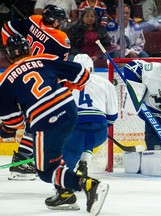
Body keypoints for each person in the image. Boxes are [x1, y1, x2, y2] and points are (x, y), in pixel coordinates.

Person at [0, 35, 109, 215]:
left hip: (45, 120)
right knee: (56, 155)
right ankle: (65, 193)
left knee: (45, 171)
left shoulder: (5, 81)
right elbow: (83, 76)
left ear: (8, 55)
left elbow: (14, 122)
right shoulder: (44, 59)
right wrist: (63, 84)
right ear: (28, 49)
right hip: (69, 109)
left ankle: (89, 185)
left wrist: (5, 130)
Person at [1, 4, 71, 181]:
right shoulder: (62, 38)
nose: (61, 24)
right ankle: (24, 157)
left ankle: (24, 156)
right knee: (39, 118)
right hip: (42, 76)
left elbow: (7, 28)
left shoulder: (33, 20)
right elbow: (59, 66)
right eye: (60, 20)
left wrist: (12, 50)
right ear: (54, 20)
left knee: (32, 118)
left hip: (20, 73)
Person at [45, 54, 118, 210]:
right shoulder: (106, 83)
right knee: (86, 141)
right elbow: (113, 116)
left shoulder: (65, 84)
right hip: (100, 130)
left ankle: (65, 193)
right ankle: (84, 161)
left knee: (64, 155)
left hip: (75, 129)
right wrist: (101, 127)